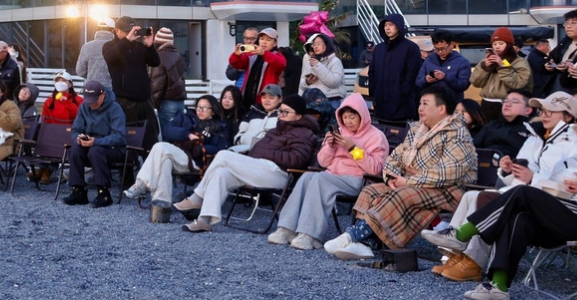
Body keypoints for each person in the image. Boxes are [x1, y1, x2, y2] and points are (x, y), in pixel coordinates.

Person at [423, 91, 577, 284]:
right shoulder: (535, 136)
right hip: (524, 193)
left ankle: (472, 259)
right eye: (543, 110)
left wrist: (532, 178)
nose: (544, 114)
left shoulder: (572, 141)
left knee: (486, 199)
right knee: (472, 195)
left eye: (552, 111)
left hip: (551, 205)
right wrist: (508, 171)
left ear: (568, 116)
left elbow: (564, 184)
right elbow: (522, 177)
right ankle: (458, 255)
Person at [324, 86, 476, 259]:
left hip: (445, 189)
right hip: (406, 182)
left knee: (401, 194)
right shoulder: (417, 130)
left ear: (441, 109)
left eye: (425, 104)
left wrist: (352, 148)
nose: (420, 108)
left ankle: (352, 236)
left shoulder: (455, 134)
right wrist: (391, 177)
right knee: (371, 191)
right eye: (420, 103)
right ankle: (366, 245)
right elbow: (394, 159)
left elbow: (448, 173)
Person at [175, 93, 320, 232]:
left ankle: (196, 198)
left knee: (223, 155)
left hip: (279, 174)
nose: (281, 115)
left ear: (299, 115)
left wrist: (267, 154)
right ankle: (204, 220)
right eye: (280, 111)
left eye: (286, 112)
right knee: (221, 173)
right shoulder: (276, 130)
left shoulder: (304, 133)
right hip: (260, 168)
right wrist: (264, 153)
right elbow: (255, 151)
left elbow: (297, 159)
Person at [267, 93, 389, 249]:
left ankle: (310, 234)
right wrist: (330, 146)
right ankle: (286, 228)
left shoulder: (376, 136)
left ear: (362, 116)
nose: (348, 121)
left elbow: (375, 169)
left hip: (358, 179)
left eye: (352, 117)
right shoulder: (339, 132)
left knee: (320, 179)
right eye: (344, 117)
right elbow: (322, 162)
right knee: (307, 177)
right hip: (333, 175)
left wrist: (353, 148)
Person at [124, 95, 228, 212]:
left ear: (213, 111)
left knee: (160, 147)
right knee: (164, 159)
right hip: (176, 154)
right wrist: (187, 135)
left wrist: (199, 148)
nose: (200, 110)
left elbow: (219, 148)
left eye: (205, 108)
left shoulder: (218, 126)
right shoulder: (186, 117)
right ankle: (162, 203)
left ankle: (141, 184)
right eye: (199, 106)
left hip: (195, 161)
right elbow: (168, 131)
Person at [63, 80, 127, 208]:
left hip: (113, 149)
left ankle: (104, 193)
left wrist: (96, 141)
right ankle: (78, 190)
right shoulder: (84, 107)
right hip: (91, 145)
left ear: (103, 95)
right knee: (75, 149)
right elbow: (76, 130)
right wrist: (79, 138)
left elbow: (119, 136)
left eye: (94, 100)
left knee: (96, 151)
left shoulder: (115, 108)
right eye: (89, 100)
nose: (91, 104)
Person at [103, 17, 160, 141]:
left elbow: (155, 62)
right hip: (125, 100)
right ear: (116, 31)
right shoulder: (109, 46)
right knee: (129, 139)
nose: (131, 33)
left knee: (151, 138)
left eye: (133, 30)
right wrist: (127, 41)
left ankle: (149, 159)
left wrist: (150, 46)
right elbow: (110, 57)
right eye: (127, 30)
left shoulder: (140, 46)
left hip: (145, 100)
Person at [367, 13, 423, 125]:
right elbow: (372, 72)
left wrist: (404, 92)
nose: (387, 28)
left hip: (401, 104)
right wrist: (373, 92)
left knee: (399, 137)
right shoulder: (379, 49)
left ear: (399, 26)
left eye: (391, 25)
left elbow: (412, 74)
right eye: (385, 25)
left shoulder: (410, 48)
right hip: (381, 102)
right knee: (382, 136)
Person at [469, 27, 532, 123]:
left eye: (501, 43)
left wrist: (502, 65)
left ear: (509, 45)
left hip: (506, 104)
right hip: (487, 103)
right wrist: (485, 67)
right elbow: (475, 82)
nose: (497, 46)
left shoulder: (519, 61)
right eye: (494, 44)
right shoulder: (486, 60)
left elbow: (519, 83)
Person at [472, 91, 541, 158]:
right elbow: (474, 148)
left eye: (515, 102)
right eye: (505, 101)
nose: (507, 104)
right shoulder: (492, 125)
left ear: (528, 110)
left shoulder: (533, 129)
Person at [228, 28, 285, 99]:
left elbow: (280, 64)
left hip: (266, 98)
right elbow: (237, 64)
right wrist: (236, 55)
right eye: (261, 39)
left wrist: (264, 53)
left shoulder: (277, 55)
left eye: (268, 40)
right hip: (247, 96)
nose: (264, 42)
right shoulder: (251, 54)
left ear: (275, 43)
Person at [150, 27, 187, 137]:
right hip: (180, 102)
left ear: (158, 41)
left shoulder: (159, 56)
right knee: (178, 137)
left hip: (167, 103)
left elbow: (157, 84)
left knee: (168, 138)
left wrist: (153, 104)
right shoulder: (177, 55)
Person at [416, 30, 472, 98]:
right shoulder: (429, 61)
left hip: (453, 102)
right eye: (437, 49)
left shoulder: (462, 62)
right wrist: (426, 80)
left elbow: (464, 85)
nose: (440, 52)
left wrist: (445, 77)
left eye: (443, 49)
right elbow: (418, 83)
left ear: (452, 44)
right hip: (433, 102)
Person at [299, 33, 345, 105]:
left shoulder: (335, 61)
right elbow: (301, 85)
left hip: (330, 100)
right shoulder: (311, 62)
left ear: (327, 45)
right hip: (313, 100)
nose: (316, 47)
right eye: (314, 44)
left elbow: (334, 82)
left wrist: (318, 66)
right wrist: (307, 81)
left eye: (319, 44)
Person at [74, 26, 115, 90]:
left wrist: (91, 75)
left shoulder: (87, 46)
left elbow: (80, 71)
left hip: (91, 89)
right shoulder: (118, 47)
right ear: (113, 30)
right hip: (111, 90)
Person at [549, 10, 577, 93]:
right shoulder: (564, 43)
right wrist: (552, 66)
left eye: (573, 23)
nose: (568, 26)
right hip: (561, 90)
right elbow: (551, 59)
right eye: (567, 23)